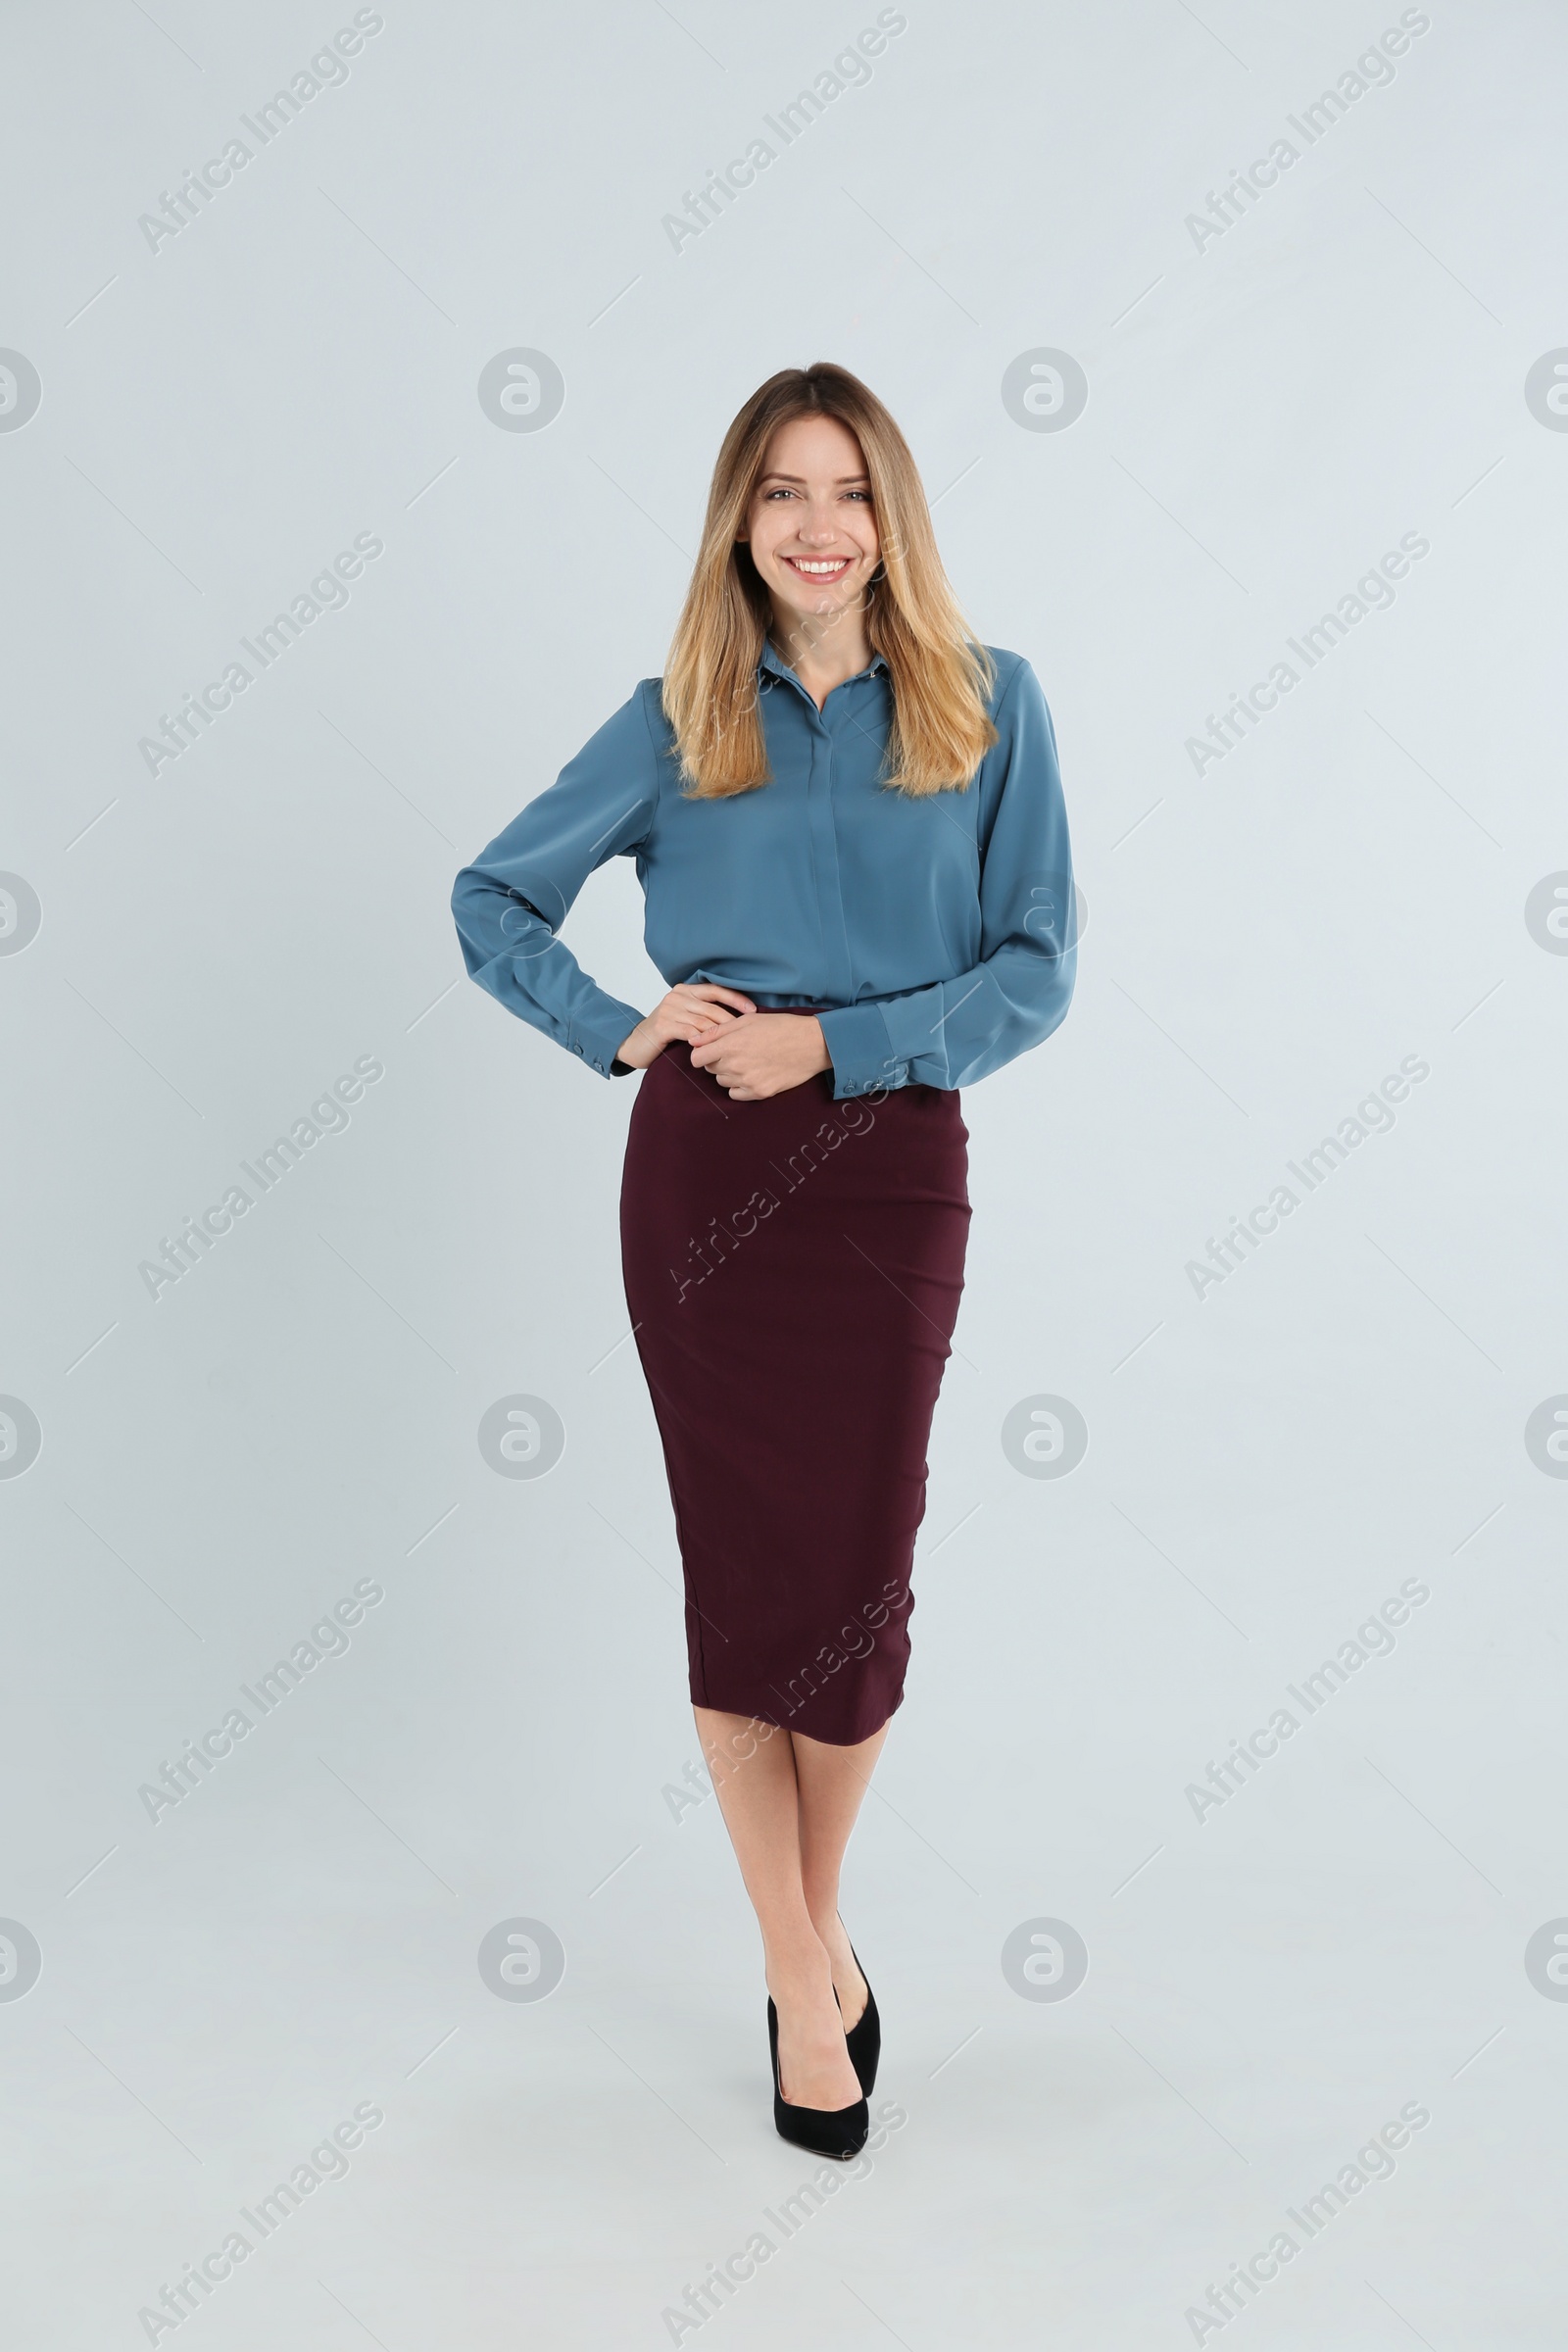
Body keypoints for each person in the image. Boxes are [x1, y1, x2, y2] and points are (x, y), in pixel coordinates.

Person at [452, 362, 1076, 2158]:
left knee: (858, 1588)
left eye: (851, 491)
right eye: (784, 491)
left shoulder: (990, 705)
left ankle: (810, 1933)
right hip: (706, 1176)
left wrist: (843, 1046)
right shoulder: (671, 719)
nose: (818, 526)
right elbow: (493, 898)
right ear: (738, 517)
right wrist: (620, 1027)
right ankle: (805, 1975)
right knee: (741, 1580)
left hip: (890, 1168)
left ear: (894, 517)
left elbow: (1034, 967)